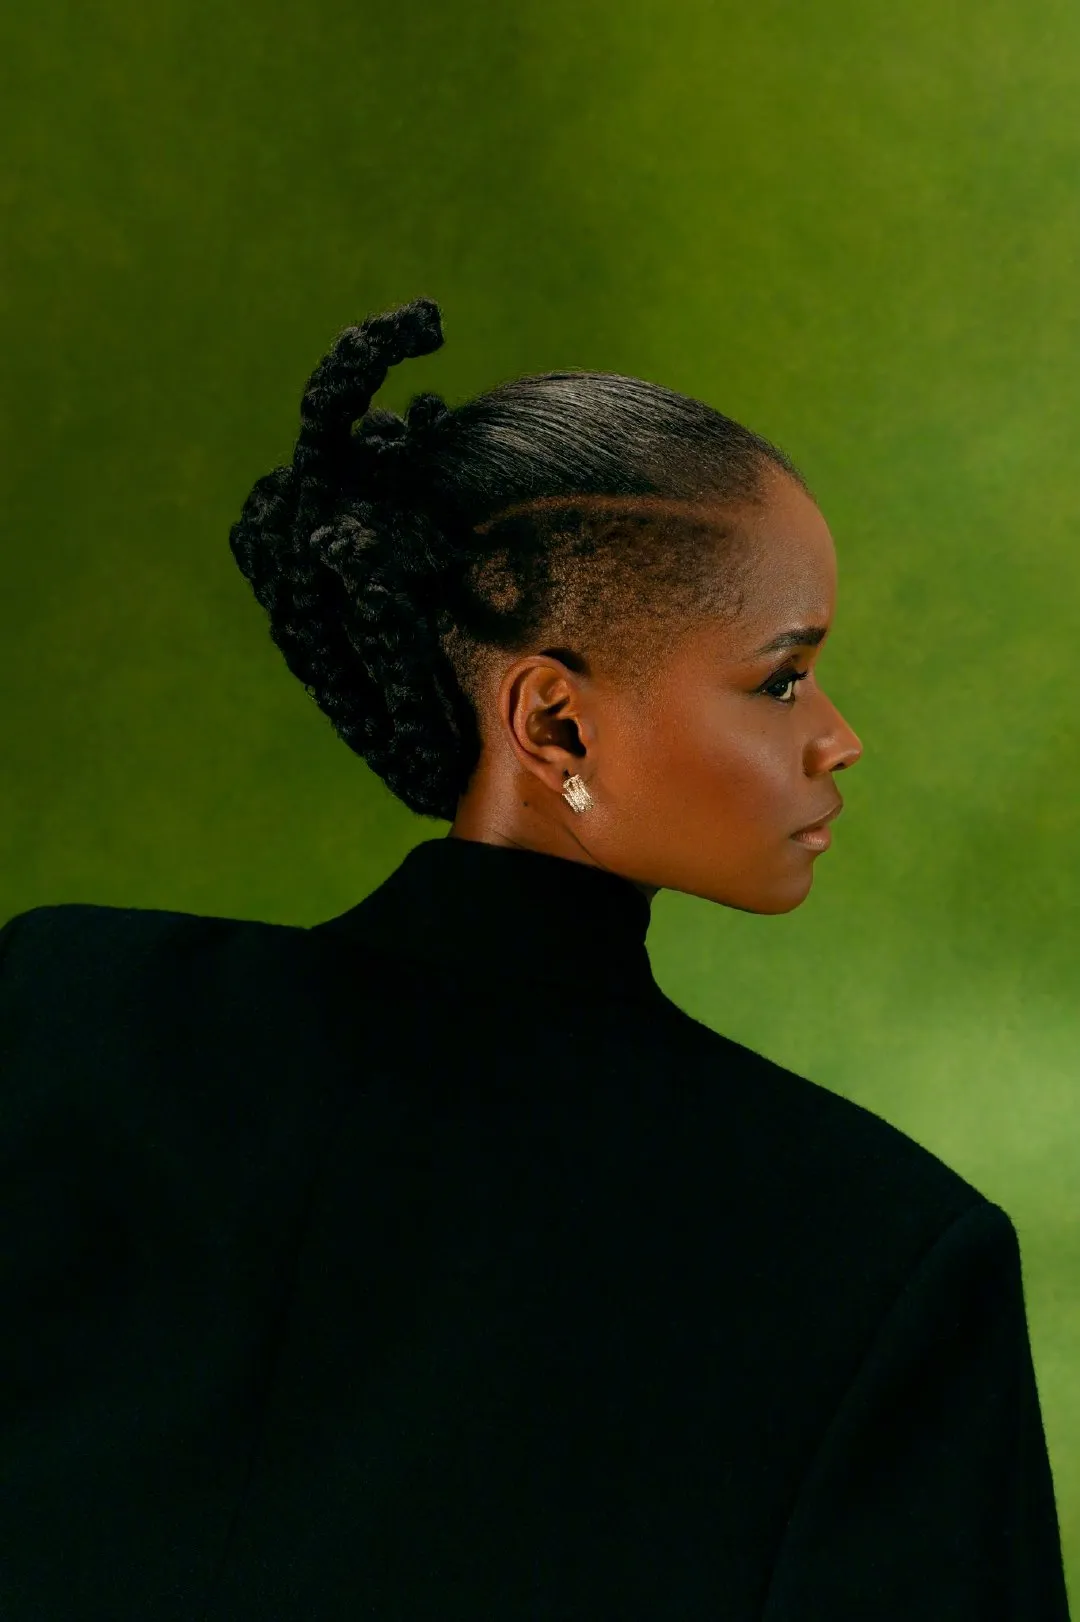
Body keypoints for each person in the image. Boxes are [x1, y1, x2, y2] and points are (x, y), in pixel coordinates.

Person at [0, 296, 1070, 1620]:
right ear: (555, 723)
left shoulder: (67, 1014)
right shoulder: (888, 1251)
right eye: (782, 679)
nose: (837, 737)